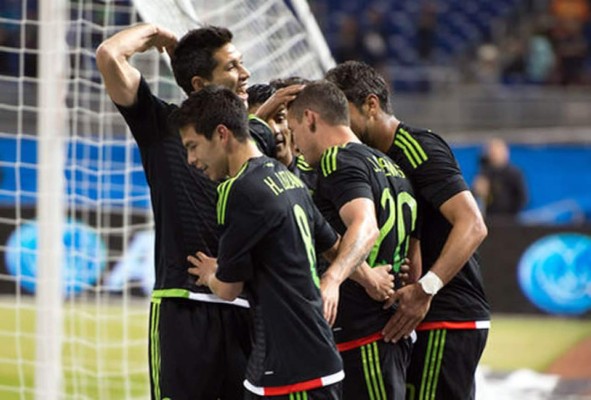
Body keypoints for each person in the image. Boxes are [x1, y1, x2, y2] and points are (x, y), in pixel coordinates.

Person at [95, 23, 276, 399]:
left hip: (248, 311)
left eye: (241, 64)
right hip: (185, 309)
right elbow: (109, 55)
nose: (245, 75)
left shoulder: (257, 140)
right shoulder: (163, 126)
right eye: (231, 67)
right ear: (199, 84)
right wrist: (157, 33)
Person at [325, 61, 490, 400]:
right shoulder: (372, 160)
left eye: (345, 114)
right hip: (418, 315)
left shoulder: (418, 147)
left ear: (372, 104)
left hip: (446, 313)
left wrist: (425, 288)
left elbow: (473, 224)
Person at [175, 85, 347, 399]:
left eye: (193, 146)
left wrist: (212, 273)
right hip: (315, 354)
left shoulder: (236, 190)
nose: (190, 159)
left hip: (290, 369)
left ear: (222, 134)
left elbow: (229, 289)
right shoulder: (288, 178)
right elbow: (334, 244)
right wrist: (367, 276)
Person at [287, 81, 420, 400]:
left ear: (310, 119)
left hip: (362, 333)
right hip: (387, 333)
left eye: (294, 130)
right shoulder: (392, 166)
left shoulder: (336, 159)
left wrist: (332, 278)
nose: (295, 143)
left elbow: (365, 225)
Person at [247, 80, 318, 192]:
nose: (275, 130)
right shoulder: (251, 190)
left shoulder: (317, 173)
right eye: (263, 124)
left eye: (279, 119)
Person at [472, 138, 528, 218]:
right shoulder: (483, 173)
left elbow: (522, 198)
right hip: (489, 218)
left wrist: (512, 215)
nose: (494, 154)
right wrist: (477, 191)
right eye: (491, 151)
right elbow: (474, 196)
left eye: (497, 151)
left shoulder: (514, 173)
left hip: (509, 219)